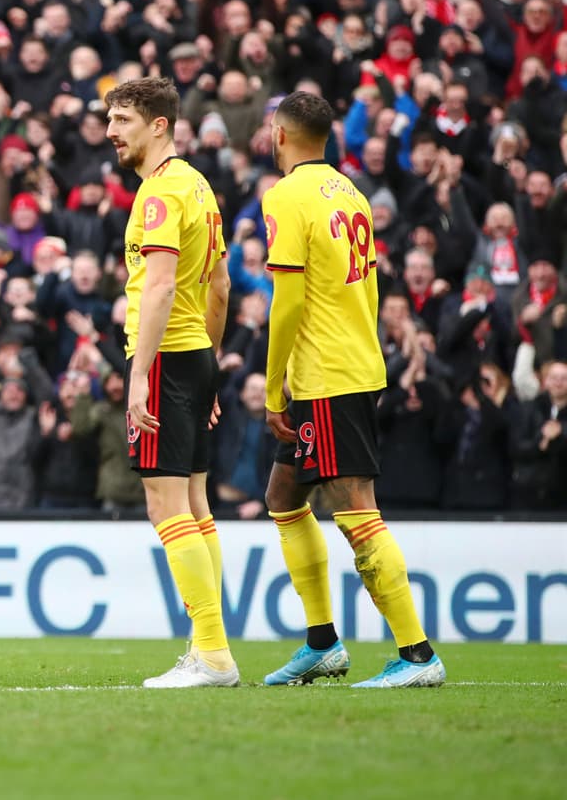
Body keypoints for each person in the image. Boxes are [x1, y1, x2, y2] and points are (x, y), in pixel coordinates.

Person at [262, 91, 444, 688]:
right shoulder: (351, 192)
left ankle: (417, 654)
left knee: (356, 510)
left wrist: (273, 386)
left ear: (280, 135)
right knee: (283, 496)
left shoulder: (286, 196)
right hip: (351, 361)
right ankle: (322, 643)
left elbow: (287, 301)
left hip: (328, 375)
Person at [104, 77, 236, 688]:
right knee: (196, 507)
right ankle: (209, 648)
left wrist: (139, 376)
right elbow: (220, 287)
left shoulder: (159, 192)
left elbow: (158, 286)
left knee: (165, 507)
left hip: (163, 359)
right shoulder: (199, 187)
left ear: (159, 125)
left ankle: (212, 655)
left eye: (123, 120)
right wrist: (209, 364)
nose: (111, 132)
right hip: (195, 356)